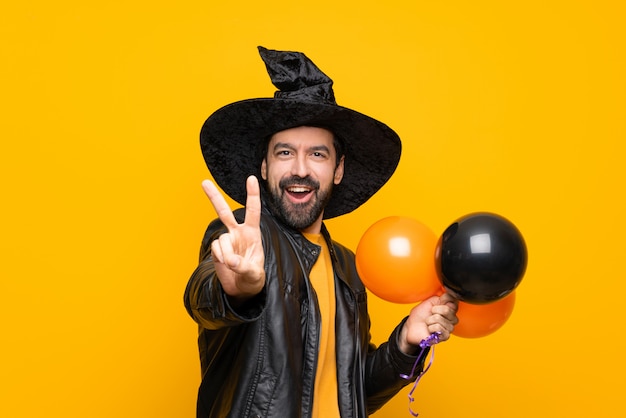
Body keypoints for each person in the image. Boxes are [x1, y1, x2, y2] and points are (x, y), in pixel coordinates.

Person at [184, 46, 458, 418]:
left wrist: (407, 341)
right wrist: (238, 289)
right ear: (264, 167)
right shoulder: (242, 240)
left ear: (338, 169)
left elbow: (350, 392)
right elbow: (204, 297)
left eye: (317, 154)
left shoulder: (348, 267)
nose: (300, 169)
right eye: (284, 153)